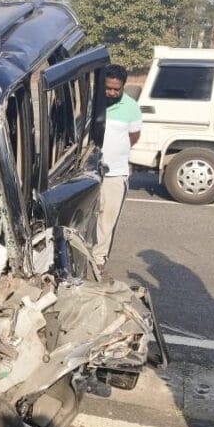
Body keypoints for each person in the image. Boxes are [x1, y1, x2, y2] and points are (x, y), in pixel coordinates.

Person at [95, 64, 142, 272]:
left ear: (123, 86)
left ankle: (98, 259)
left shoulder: (131, 107)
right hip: (90, 171)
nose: (112, 93)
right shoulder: (93, 103)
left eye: (117, 89)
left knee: (107, 220)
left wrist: (116, 153)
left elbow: (134, 136)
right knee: (89, 217)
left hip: (115, 174)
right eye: (108, 88)